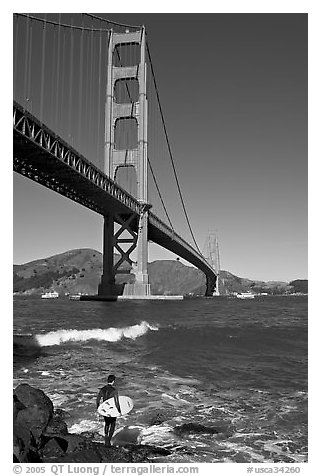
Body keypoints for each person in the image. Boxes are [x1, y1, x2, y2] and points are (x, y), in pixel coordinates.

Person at [96, 374, 121, 446]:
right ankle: (108, 440)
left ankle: (106, 438)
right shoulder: (114, 390)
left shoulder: (102, 389)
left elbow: (97, 399)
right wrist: (119, 410)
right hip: (112, 409)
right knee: (113, 424)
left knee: (107, 424)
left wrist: (98, 408)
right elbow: (116, 402)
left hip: (104, 409)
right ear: (113, 381)